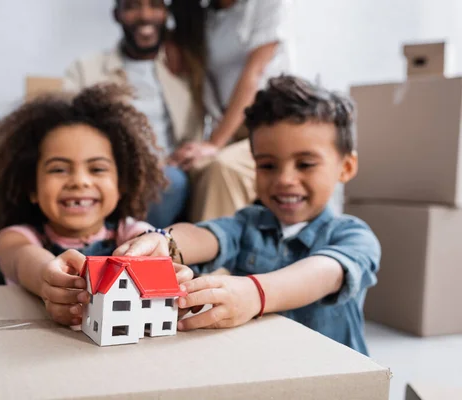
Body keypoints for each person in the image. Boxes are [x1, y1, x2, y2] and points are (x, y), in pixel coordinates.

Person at [115, 75, 381, 355]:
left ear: (346, 167)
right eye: (267, 165)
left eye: (305, 164)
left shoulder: (353, 235)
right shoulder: (248, 223)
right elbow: (207, 235)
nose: (285, 179)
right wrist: (165, 241)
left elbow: (325, 273)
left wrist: (255, 294)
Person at [0, 84, 193, 326]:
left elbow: (153, 245)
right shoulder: (16, 238)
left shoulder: (131, 234)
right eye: (58, 169)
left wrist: (168, 274)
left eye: (97, 169)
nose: (79, 181)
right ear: (32, 188)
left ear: (121, 185)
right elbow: (23, 259)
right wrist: (47, 277)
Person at [62, 0, 204, 227]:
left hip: (168, 170)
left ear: (166, 12)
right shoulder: (86, 69)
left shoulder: (185, 68)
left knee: (171, 181)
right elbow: (66, 130)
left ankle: (137, 247)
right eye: (132, 7)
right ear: (116, 14)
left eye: (155, 5)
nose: (144, 15)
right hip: (113, 168)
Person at [168, 0, 294, 221]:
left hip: (274, 126)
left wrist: (214, 143)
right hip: (231, 130)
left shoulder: (267, 5)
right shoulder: (206, 19)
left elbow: (254, 74)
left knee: (222, 168)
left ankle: (210, 253)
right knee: (193, 169)